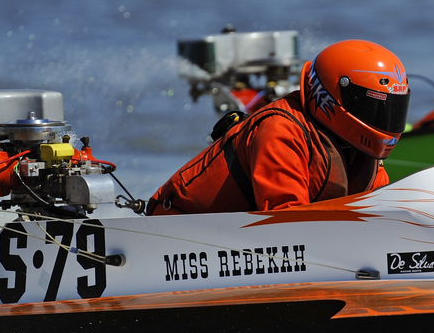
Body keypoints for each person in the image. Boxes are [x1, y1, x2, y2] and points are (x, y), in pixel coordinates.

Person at [148, 40, 409, 214]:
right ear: (331, 95)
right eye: (375, 108)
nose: (383, 119)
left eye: (391, 110)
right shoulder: (280, 130)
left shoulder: (362, 151)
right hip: (179, 239)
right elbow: (284, 223)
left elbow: (377, 214)